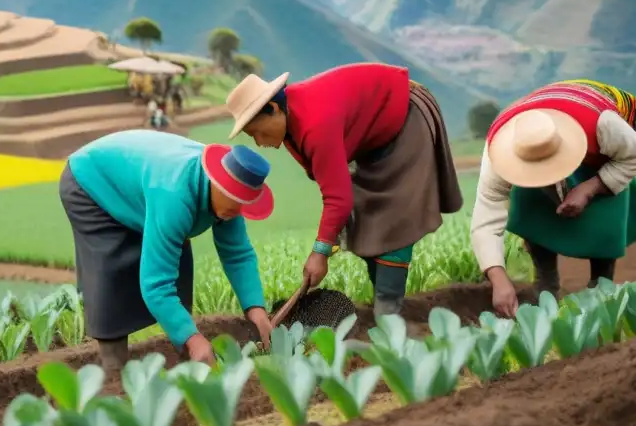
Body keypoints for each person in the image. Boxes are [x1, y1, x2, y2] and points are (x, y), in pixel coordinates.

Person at [225, 64, 463, 319]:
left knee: (395, 219)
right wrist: (329, 238)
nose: (259, 142)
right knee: (366, 220)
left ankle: (389, 310)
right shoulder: (290, 125)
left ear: (273, 109)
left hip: (405, 117)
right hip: (372, 139)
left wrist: (320, 252)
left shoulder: (315, 123)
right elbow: (331, 183)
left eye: (257, 132)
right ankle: (385, 305)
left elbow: (338, 197)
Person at [59, 129, 275, 370]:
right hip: (92, 184)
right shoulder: (175, 196)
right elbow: (156, 284)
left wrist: (255, 308)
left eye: (243, 203)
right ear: (215, 183)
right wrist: (194, 340)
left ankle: (187, 357)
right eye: (234, 200)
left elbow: (237, 253)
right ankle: (114, 372)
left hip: (143, 184)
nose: (237, 211)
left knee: (177, 259)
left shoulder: (231, 198)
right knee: (111, 271)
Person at [470, 80, 636, 318]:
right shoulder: (499, 148)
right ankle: (546, 284)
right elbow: (487, 215)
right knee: (531, 209)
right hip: (540, 150)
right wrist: (498, 279)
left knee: (606, 217)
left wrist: (591, 188)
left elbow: (634, 156)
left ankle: (601, 284)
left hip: (594, 156)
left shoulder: (602, 124)